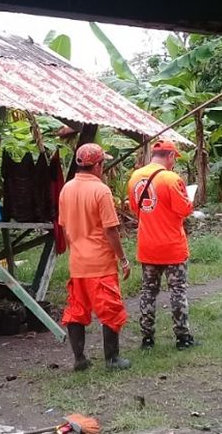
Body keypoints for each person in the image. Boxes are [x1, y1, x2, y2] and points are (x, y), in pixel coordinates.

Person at [58, 143, 131, 371]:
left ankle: (79, 359)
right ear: (98, 165)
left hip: (77, 263)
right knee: (110, 310)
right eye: (103, 163)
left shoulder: (66, 189)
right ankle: (112, 358)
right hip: (100, 264)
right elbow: (111, 230)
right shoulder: (101, 190)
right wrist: (123, 258)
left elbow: (64, 227)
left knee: (77, 311)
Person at [127, 139, 198, 351]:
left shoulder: (134, 177)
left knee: (148, 292)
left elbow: (134, 209)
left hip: (147, 246)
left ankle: (147, 338)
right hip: (172, 247)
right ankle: (182, 337)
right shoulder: (171, 179)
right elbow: (184, 210)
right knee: (177, 292)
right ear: (170, 156)